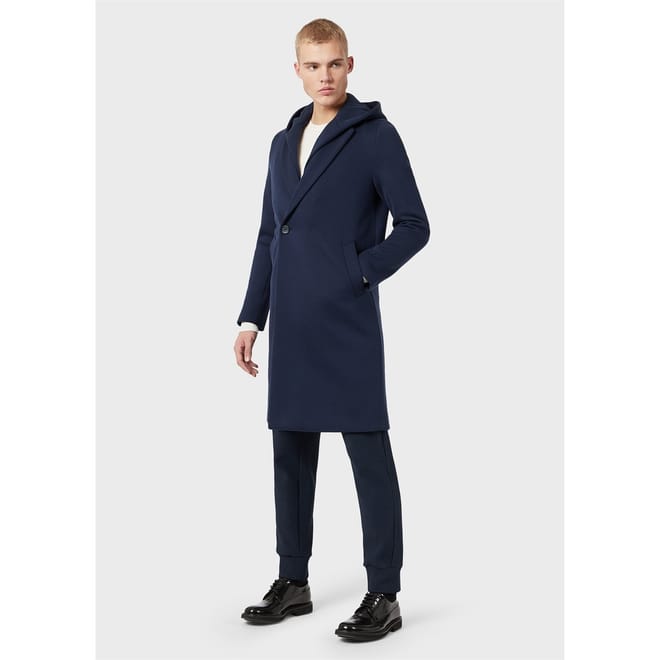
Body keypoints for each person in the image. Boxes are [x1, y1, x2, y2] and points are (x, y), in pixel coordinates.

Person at [233, 17, 430, 641]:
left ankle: (384, 593)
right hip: (291, 323)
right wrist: (251, 316)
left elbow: (414, 225)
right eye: (314, 66)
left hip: (346, 320)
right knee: (290, 454)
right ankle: (293, 581)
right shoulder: (281, 142)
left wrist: (357, 271)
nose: (325, 76)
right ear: (297, 70)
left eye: (335, 64)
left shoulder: (375, 136)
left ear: (350, 65)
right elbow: (269, 235)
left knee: (369, 454)